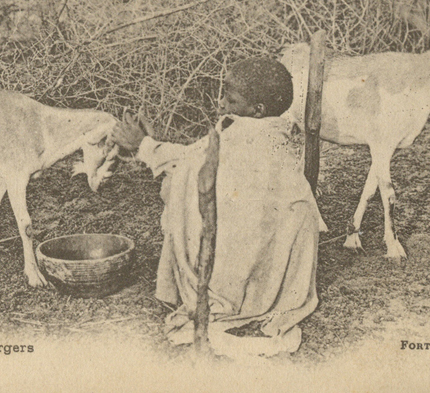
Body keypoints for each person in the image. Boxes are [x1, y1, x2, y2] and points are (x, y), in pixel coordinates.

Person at [111, 57, 323, 357]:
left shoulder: (244, 136)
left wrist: (144, 146)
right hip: (275, 266)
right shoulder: (275, 134)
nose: (220, 103)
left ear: (257, 110)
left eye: (230, 98)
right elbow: (198, 159)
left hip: (242, 271)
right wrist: (152, 143)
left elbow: (192, 167)